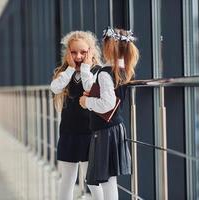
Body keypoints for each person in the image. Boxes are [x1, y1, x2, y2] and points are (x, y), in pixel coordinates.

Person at [79, 27, 139, 200]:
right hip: (113, 128)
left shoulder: (106, 72)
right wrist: (86, 67)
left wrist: (86, 102)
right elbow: (92, 87)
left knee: (106, 181)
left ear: (109, 47)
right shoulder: (120, 68)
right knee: (108, 180)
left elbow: (107, 103)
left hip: (105, 130)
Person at [50, 31, 104, 200]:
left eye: (83, 52)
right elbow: (55, 88)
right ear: (68, 53)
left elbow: (90, 89)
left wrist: (86, 67)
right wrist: (71, 68)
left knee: (93, 181)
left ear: (92, 51)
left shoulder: (97, 71)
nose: (79, 56)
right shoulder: (66, 72)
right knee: (67, 179)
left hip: (90, 133)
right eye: (73, 52)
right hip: (68, 132)